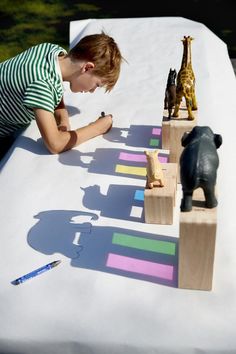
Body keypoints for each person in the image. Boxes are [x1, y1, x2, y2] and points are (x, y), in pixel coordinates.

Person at [0, 32, 123, 159]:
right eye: (97, 85)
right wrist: (97, 128)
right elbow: (55, 144)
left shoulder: (52, 50)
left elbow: (54, 86)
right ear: (87, 68)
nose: (92, 91)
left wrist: (62, 117)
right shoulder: (42, 85)